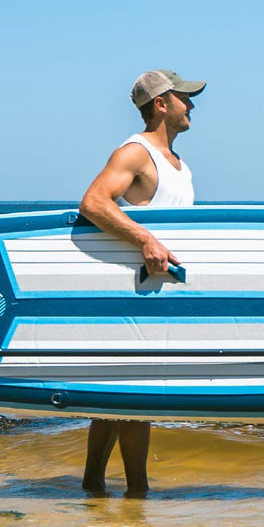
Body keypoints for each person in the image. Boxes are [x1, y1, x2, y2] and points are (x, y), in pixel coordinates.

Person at [74, 69, 205, 495]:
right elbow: (93, 203)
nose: (193, 105)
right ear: (162, 103)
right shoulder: (135, 152)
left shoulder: (180, 166)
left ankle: (99, 487)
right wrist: (145, 238)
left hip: (162, 294)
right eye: (184, 97)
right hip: (135, 290)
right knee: (133, 392)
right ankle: (134, 493)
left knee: (125, 393)